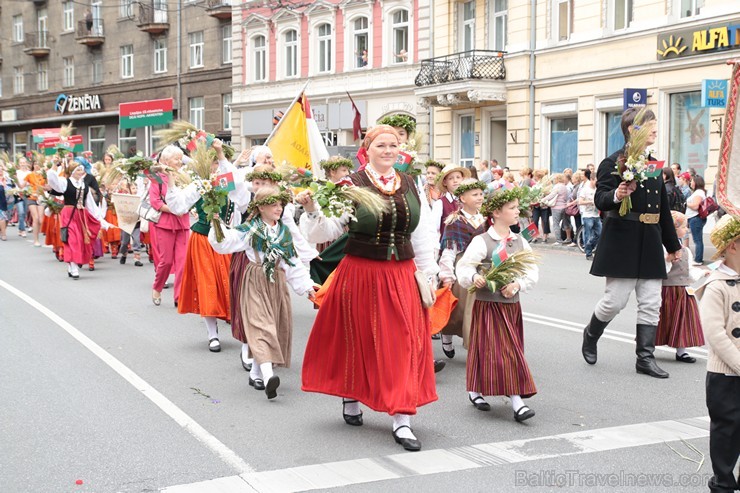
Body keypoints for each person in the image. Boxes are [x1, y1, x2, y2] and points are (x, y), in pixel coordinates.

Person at [301, 125, 439, 452]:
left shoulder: (410, 183)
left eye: (393, 145)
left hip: (402, 273)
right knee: (358, 336)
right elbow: (328, 228)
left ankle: (402, 418)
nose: (388, 150)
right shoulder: (351, 185)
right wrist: (311, 210)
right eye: (381, 145)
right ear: (368, 148)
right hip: (361, 272)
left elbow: (420, 233)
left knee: (403, 340)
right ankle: (351, 395)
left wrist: (428, 271)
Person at [581, 107, 681, 378]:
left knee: (651, 302)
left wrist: (673, 245)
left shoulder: (654, 164)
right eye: (650, 124)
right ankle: (591, 334)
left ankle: (644, 358)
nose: (655, 129)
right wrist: (618, 192)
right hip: (622, 238)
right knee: (615, 301)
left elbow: (661, 209)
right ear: (632, 130)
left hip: (650, 240)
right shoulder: (612, 162)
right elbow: (600, 200)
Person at [210, 185, 315, 399]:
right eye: (273, 205)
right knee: (261, 326)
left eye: (280, 205)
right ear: (261, 208)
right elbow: (225, 242)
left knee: (273, 327)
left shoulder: (284, 232)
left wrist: (307, 287)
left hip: (276, 282)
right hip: (255, 280)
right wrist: (215, 223)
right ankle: (268, 377)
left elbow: (292, 262)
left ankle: (256, 373)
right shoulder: (250, 229)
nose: (279, 209)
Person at [456, 188, 539, 421]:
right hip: (488, 305)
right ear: (496, 212)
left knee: (503, 349)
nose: (517, 212)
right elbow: (464, 267)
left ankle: (475, 389)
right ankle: (517, 401)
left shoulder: (520, 241)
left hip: (511, 306)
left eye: (516, 208)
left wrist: (517, 285)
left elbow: (532, 272)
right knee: (503, 351)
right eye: (512, 208)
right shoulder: (482, 241)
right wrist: (474, 278)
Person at [696, 214, 740, 493]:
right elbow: (716, 335)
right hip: (725, 374)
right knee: (727, 430)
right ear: (733, 246)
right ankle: (723, 483)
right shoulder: (716, 285)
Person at [178, 140, 234, 352]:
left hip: (227, 240)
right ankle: (212, 333)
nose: (216, 166)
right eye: (213, 162)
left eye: (218, 162)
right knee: (208, 284)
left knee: (228, 282)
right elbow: (179, 205)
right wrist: (173, 184)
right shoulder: (199, 184)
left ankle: (233, 320)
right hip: (202, 238)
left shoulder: (226, 182)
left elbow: (238, 192)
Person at [438, 179, 487, 359]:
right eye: (475, 194)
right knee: (457, 310)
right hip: (462, 266)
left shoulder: (487, 219)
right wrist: (447, 275)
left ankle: (476, 346)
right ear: (463, 198)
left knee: (475, 310)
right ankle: (447, 334)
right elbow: (449, 250)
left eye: (481, 194)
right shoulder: (455, 221)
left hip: (482, 267)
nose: (480, 197)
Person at [655, 211, 707, 363]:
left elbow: (688, 271)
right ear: (674, 228)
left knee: (683, 320)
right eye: (684, 226)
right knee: (661, 319)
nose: (686, 230)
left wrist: (703, 273)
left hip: (682, 290)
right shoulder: (662, 248)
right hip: (666, 289)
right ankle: (648, 348)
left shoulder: (686, 251)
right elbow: (660, 269)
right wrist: (668, 260)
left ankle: (681, 351)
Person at [46, 159, 110, 280]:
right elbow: (53, 180)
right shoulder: (65, 182)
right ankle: (74, 267)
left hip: (81, 216)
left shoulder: (84, 185)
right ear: (72, 171)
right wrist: (54, 165)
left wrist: (101, 221)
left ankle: (71, 264)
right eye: (78, 170)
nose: (81, 172)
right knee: (72, 240)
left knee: (80, 240)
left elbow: (90, 204)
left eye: (82, 169)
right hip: (69, 214)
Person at [149, 145, 194, 307]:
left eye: (181, 158)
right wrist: (174, 210)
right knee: (166, 261)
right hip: (165, 224)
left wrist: (189, 208)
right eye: (177, 158)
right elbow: (155, 201)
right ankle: (157, 287)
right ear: (166, 160)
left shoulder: (184, 176)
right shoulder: (157, 177)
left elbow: (191, 196)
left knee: (182, 263)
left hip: (183, 224)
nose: (180, 162)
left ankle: (179, 296)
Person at [431, 163, 471, 241]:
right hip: (448, 247)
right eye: (451, 178)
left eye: (458, 177)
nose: (455, 181)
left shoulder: (468, 201)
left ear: (462, 179)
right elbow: (433, 230)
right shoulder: (440, 204)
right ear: (445, 182)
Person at [542, 173, 573, 245]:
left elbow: (551, 195)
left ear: (557, 179)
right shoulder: (565, 187)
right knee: (566, 223)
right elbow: (568, 197)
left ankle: (559, 240)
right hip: (564, 207)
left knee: (556, 224)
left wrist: (543, 200)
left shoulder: (557, 187)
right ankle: (568, 238)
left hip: (556, 208)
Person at [577, 169, 601, 260]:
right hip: (587, 215)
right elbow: (580, 201)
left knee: (599, 233)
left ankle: (590, 246)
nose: (597, 182)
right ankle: (588, 253)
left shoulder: (597, 189)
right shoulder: (585, 189)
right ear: (591, 179)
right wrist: (591, 202)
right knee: (588, 234)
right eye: (596, 180)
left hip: (596, 215)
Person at [685, 175, 707, 266]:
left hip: (695, 218)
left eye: (692, 181)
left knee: (697, 240)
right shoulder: (698, 192)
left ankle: (698, 260)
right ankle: (698, 258)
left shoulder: (699, 192)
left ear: (696, 182)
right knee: (698, 239)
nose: (690, 183)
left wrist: (687, 203)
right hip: (695, 218)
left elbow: (695, 206)